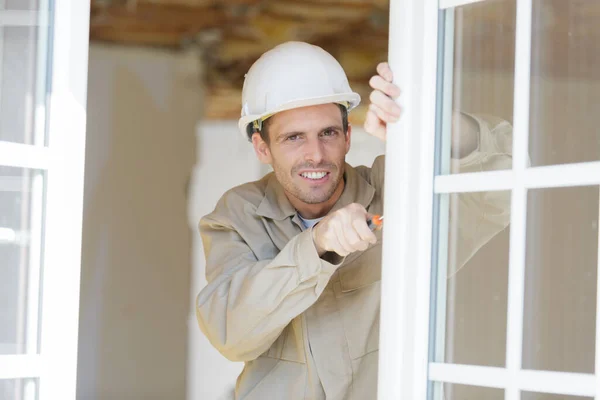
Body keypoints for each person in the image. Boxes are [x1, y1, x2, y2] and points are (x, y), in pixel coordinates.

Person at [196, 41, 512, 399]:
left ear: (348, 136)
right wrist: (317, 245)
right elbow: (231, 334)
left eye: (328, 133)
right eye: (293, 137)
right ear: (262, 147)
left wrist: (438, 123)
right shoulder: (238, 215)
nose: (315, 154)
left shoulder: (395, 189)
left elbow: (507, 180)